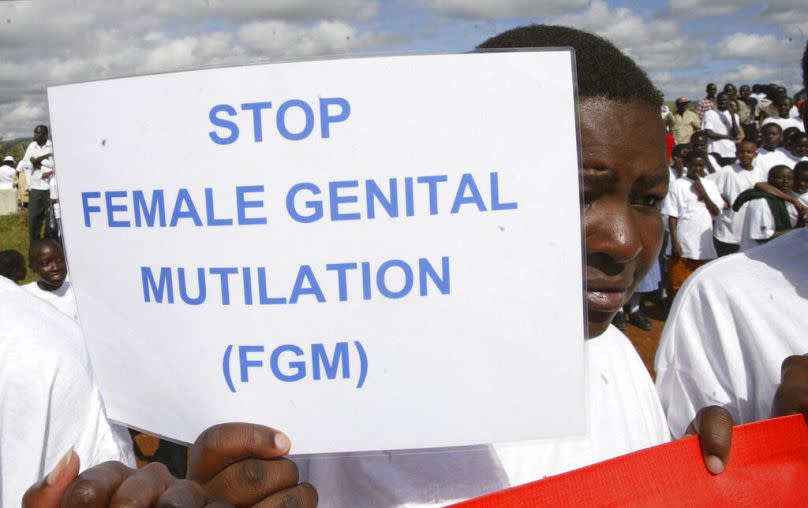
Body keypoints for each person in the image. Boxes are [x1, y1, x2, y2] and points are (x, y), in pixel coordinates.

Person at [287, 25, 733, 507]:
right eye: (578, 196)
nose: (624, 242)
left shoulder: (616, 361)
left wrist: (683, 476)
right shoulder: (340, 399)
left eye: (649, 199)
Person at [663, 151, 725, 294]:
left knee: (702, 284)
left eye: (700, 166)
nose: (697, 168)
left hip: (704, 244)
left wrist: (703, 193)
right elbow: (672, 216)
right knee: (679, 284)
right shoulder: (677, 185)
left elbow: (716, 211)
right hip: (683, 241)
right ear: (687, 165)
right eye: (693, 165)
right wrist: (674, 242)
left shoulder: (709, 184)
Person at [711, 140, 767, 256]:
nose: (745, 155)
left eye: (749, 152)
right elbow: (707, 184)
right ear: (736, 154)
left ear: (755, 154)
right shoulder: (728, 170)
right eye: (741, 152)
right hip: (729, 226)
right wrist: (721, 200)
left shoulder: (761, 173)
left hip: (750, 225)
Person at [735, 165, 802, 251]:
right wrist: (797, 229)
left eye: (790, 178)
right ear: (769, 179)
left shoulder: (782, 199)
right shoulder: (761, 202)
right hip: (756, 256)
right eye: (781, 178)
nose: (786, 181)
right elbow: (762, 236)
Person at [22, 238, 78, 320]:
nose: (56, 267)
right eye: (46, 263)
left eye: (60, 260)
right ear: (32, 268)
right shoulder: (24, 295)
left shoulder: (77, 291)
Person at [17, 124, 54, 242]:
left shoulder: (52, 146)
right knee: (34, 219)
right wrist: (40, 161)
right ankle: (34, 247)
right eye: (35, 133)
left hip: (50, 187)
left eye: (38, 133)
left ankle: (50, 244)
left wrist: (37, 162)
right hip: (35, 188)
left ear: (45, 134)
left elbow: (55, 165)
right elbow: (25, 164)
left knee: (51, 219)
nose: (35, 135)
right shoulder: (32, 146)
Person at [701, 92, 741, 166]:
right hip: (715, 151)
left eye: (725, 100)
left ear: (729, 101)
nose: (723, 102)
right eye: (720, 100)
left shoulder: (735, 116)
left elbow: (735, 134)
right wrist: (727, 137)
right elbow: (709, 133)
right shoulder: (709, 113)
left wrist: (732, 116)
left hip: (730, 152)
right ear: (717, 101)